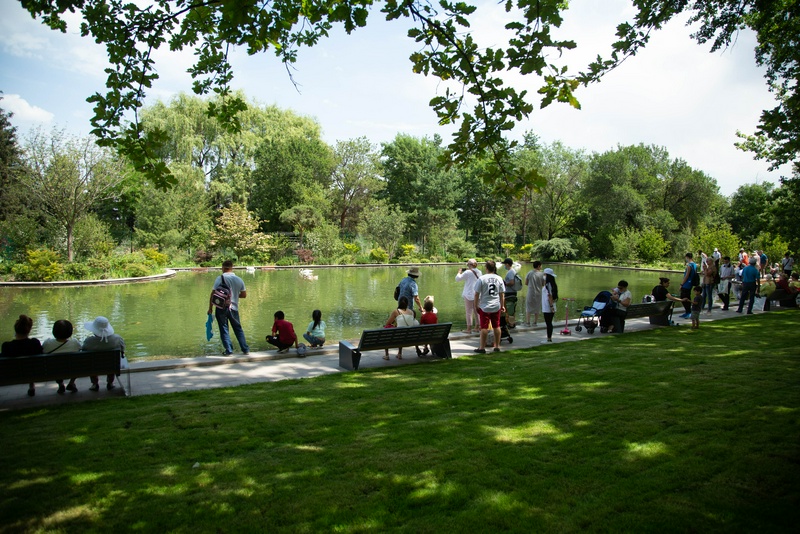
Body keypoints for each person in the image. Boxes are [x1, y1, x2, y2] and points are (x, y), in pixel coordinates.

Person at [207, 260, 249, 356]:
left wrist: (210, 308)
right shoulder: (239, 279)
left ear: (223, 268)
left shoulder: (220, 278)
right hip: (234, 308)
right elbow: (244, 295)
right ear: (232, 267)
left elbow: (213, 294)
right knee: (238, 328)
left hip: (221, 308)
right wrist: (233, 296)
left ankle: (229, 350)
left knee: (224, 329)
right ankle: (245, 349)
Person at [1, 314, 43, 397]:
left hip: (11, 375)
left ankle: (31, 386)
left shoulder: (7, 346)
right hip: (33, 373)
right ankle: (31, 386)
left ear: (15, 329)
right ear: (29, 330)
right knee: (30, 366)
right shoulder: (34, 343)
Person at [82, 316, 125, 391]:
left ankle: (95, 384)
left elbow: (83, 351)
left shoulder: (89, 341)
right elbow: (122, 349)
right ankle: (110, 383)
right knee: (112, 361)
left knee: (91, 362)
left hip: (94, 366)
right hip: (112, 366)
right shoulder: (117, 339)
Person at [473, 260, 506, 353]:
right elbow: (502, 294)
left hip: (485, 306)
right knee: (497, 326)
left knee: (484, 327)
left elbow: (476, 294)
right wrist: (502, 305)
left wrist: (476, 305)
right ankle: (497, 346)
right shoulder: (499, 278)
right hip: (496, 305)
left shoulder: (482, 279)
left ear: (486, 268)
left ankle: (482, 347)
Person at [42, 319, 82, 394]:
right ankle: (71, 383)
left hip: (54, 371)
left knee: (56, 365)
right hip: (72, 370)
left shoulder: (47, 343)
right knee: (77, 364)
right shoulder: (74, 343)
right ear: (70, 332)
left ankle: (61, 384)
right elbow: (81, 349)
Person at [384, 296, 415, 360]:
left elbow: (387, 323)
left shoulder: (396, 312)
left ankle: (386, 355)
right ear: (407, 303)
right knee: (402, 330)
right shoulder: (411, 312)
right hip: (409, 337)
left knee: (386, 331)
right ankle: (399, 353)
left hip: (398, 337)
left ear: (399, 303)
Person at [455, 259, 481, 334]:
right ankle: (477, 327)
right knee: (477, 311)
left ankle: (468, 329)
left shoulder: (467, 272)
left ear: (470, 265)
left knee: (469, 311)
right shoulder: (479, 272)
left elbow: (457, 279)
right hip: (477, 294)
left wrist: (459, 272)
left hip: (469, 294)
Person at [525, 261, 545, 326]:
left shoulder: (529, 273)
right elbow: (543, 284)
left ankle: (528, 322)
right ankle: (535, 322)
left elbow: (526, 283)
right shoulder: (542, 274)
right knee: (537, 307)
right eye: (541, 265)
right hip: (538, 293)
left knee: (528, 307)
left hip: (530, 292)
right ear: (539, 266)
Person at [678, 252, 698, 319]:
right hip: (690, 283)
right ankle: (687, 311)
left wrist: (681, 284)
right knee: (687, 297)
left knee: (683, 297)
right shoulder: (694, 265)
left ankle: (688, 312)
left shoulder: (689, 265)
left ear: (687, 257)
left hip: (687, 284)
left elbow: (687, 276)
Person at [541, 268, 558, 343]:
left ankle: (549, 339)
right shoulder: (551, 284)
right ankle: (549, 338)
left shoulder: (548, 285)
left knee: (548, 323)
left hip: (548, 306)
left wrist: (551, 306)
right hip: (549, 306)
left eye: (544, 274)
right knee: (549, 323)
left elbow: (550, 296)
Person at [501, 258, 519, 329]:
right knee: (510, 308)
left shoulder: (511, 272)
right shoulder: (512, 271)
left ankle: (511, 324)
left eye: (505, 264)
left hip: (510, 293)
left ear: (507, 264)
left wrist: (504, 284)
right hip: (511, 292)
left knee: (509, 308)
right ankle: (511, 322)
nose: (504, 266)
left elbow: (512, 282)